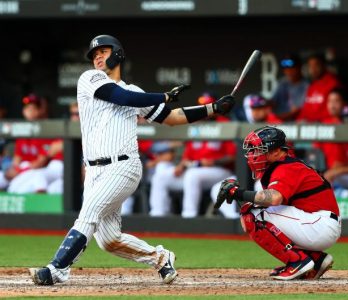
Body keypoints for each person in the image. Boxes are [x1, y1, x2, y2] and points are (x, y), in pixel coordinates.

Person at [29, 34, 235, 286]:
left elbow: (172, 118)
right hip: (94, 171)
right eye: (94, 55)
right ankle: (160, 257)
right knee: (109, 240)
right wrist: (164, 96)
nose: (97, 57)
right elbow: (123, 98)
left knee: (88, 214)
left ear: (117, 53)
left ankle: (57, 269)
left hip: (124, 167)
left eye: (103, 51)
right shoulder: (90, 79)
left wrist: (213, 108)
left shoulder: (135, 91)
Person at [214, 126, 341, 280]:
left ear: (275, 151)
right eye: (253, 150)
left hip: (319, 224)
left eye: (258, 150)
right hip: (317, 221)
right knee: (257, 210)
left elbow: (273, 198)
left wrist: (237, 193)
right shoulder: (281, 165)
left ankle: (297, 261)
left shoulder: (286, 167)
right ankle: (316, 260)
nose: (253, 154)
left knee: (252, 215)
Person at [150, 93, 236, 218]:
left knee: (192, 175)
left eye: (208, 105)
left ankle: (189, 216)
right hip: (195, 169)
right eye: (202, 106)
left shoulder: (225, 124)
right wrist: (182, 164)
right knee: (160, 177)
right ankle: (157, 216)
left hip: (220, 171)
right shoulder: (196, 124)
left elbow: (233, 156)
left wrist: (214, 162)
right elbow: (188, 155)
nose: (205, 109)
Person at [295, 53, 341, 123]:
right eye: (310, 66)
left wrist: (315, 121)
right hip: (310, 125)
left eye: (316, 65)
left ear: (323, 65)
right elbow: (305, 110)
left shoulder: (333, 83)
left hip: (325, 125)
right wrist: (299, 120)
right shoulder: (312, 86)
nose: (313, 69)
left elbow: (335, 111)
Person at [271, 54, 309, 121]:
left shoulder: (306, 85)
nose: (288, 71)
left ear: (299, 68)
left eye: (292, 68)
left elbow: (295, 111)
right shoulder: (283, 82)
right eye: (286, 68)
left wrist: (277, 118)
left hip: (296, 122)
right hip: (280, 120)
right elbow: (273, 102)